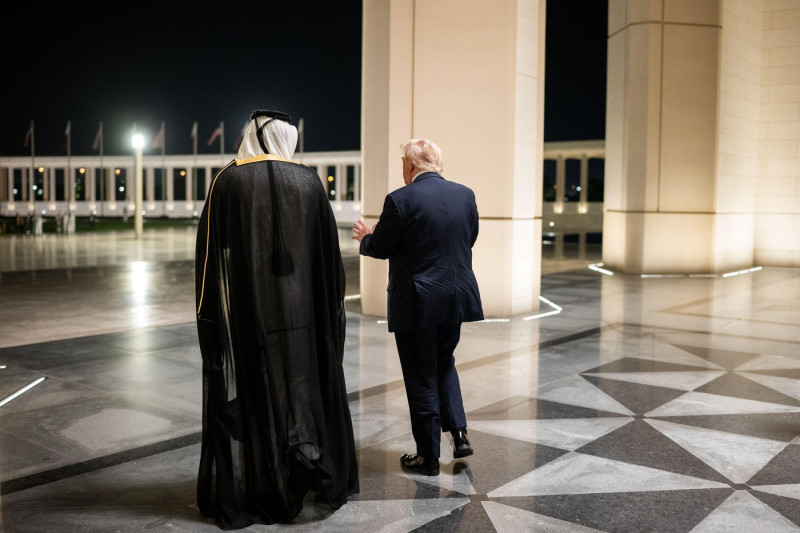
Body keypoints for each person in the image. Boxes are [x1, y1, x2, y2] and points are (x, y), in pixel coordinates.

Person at [195, 109, 358, 528]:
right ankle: (304, 461)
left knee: (260, 388)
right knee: (300, 388)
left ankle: (268, 477)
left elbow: (214, 255)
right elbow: (328, 261)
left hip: (255, 313)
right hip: (303, 313)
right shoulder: (307, 180)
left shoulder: (229, 179)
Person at [352, 139, 484, 476]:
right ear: (437, 163)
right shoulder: (465, 194)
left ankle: (427, 456)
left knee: (420, 373)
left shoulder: (400, 199)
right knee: (444, 363)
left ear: (410, 167)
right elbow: (468, 238)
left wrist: (367, 238)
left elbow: (381, 247)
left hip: (418, 301)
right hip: (456, 296)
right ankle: (459, 433)